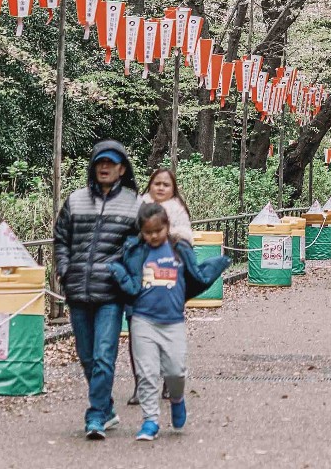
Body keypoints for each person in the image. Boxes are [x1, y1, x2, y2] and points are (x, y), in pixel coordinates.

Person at [110, 201, 230, 440]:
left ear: (167, 226)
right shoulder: (135, 251)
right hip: (142, 319)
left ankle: (177, 398)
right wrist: (118, 272)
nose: (154, 236)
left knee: (176, 371)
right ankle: (150, 421)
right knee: (146, 374)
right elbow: (126, 278)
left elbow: (195, 275)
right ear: (141, 231)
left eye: (158, 230)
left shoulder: (178, 249)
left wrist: (216, 265)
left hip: (173, 321)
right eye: (148, 232)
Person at [53, 141, 142, 439]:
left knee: (104, 355)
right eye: (99, 162)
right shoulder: (75, 200)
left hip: (111, 294)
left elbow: (141, 247)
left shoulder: (134, 204)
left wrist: (127, 279)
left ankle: (94, 416)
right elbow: (61, 237)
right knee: (87, 356)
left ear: (122, 169)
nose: (104, 167)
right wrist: (64, 270)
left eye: (111, 163)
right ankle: (106, 408)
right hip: (78, 289)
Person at [144, 166, 194, 242]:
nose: (161, 188)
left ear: (173, 189)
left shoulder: (178, 210)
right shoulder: (138, 205)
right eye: (157, 184)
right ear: (150, 186)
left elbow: (185, 237)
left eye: (166, 185)